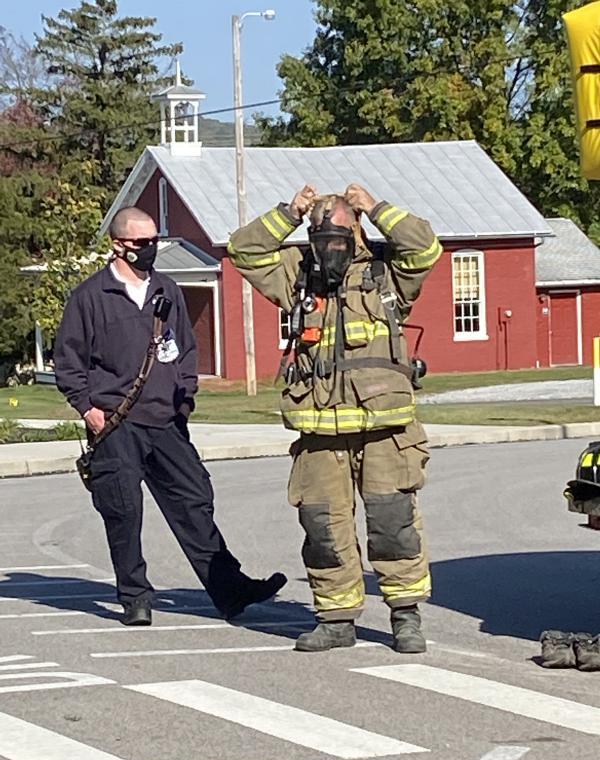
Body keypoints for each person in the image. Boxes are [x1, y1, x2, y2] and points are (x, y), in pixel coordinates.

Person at [228, 184, 442, 652]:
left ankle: (405, 617)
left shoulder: (388, 273)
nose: (331, 248)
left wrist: (375, 206)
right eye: (321, 236)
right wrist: (289, 212)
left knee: (393, 523)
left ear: (358, 230)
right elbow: (243, 249)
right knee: (323, 528)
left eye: (340, 236)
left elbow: (425, 245)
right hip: (320, 430)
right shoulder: (295, 275)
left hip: (386, 429)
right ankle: (336, 618)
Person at [54, 206, 286, 626]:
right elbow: (68, 363)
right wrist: (88, 409)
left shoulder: (167, 290)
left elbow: (185, 351)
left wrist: (184, 400)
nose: (150, 250)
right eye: (142, 243)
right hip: (116, 425)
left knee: (195, 502)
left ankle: (230, 591)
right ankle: (135, 597)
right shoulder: (89, 297)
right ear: (119, 245)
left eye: (154, 242)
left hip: (167, 422)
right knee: (124, 511)